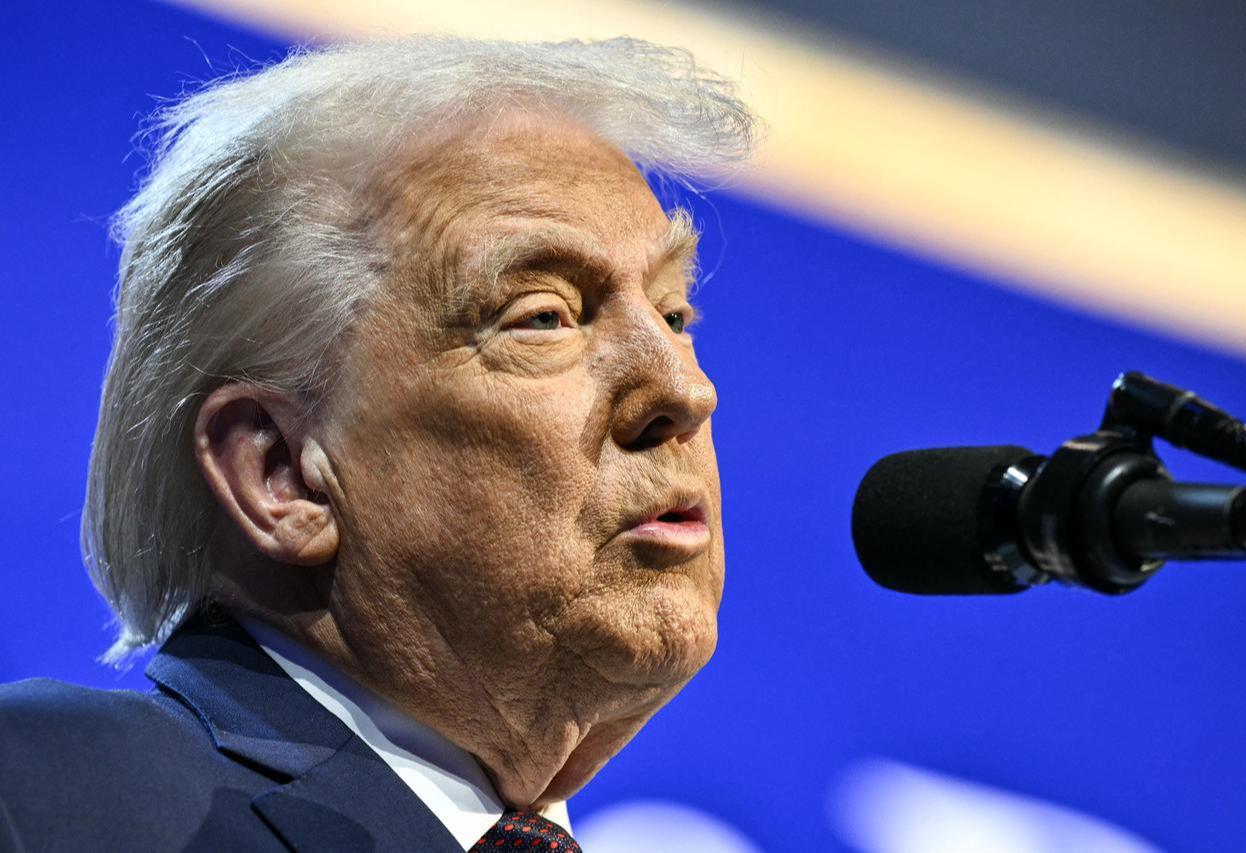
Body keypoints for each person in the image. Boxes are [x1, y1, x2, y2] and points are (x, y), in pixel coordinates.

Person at [0, 36, 757, 851]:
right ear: (281, 474)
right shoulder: (47, 796)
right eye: (544, 316)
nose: (685, 391)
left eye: (675, 315)